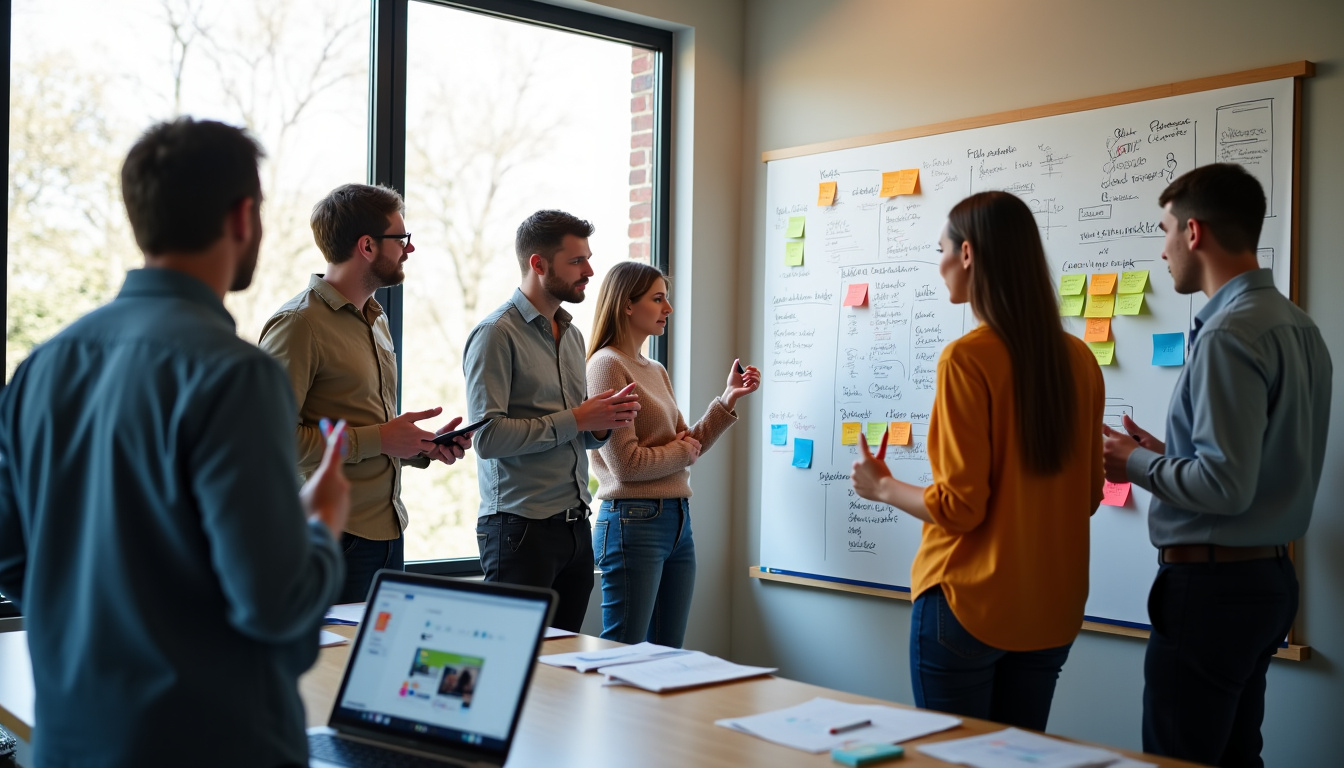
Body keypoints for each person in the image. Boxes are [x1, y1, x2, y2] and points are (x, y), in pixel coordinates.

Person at [0, 117, 350, 767]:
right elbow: (275, 609)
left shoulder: (40, 368)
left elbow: (12, 559)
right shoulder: (236, 375)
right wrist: (324, 523)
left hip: (70, 741)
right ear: (243, 217)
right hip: (211, 744)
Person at [1102, 163, 1331, 767]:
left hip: (1211, 590)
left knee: (1180, 758)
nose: (1164, 249)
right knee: (1233, 757)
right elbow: (1255, 463)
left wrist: (1136, 462)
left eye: (1166, 230)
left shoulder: (1230, 332)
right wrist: (1160, 451)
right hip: (1266, 582)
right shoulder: (1298, 326)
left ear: (1194, 232)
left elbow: (1225, 487)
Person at [850, 191, 1105, 730]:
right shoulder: (1080, 358)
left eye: (940, 248)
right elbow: (1087, 498)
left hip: (966, 605)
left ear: (967, 253)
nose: (938, 263)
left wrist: (882, 486)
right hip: (1050, 613)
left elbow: (960, 508)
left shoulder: (966, 358)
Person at [260, 183, 472, 605]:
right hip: (333, 538)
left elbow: (368, 428)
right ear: (367, 246)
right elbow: (271, 442)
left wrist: (419, 446)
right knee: (332, 671)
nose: (409, 249)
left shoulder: (376, 319)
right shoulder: (298, 325)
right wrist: (381, 438)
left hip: (388, 533)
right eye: (401, 239)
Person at [463, 210, 640, 631]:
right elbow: (486, 438)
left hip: (576, 528)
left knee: (561, 674)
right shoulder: (495, 334)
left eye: (588, 259)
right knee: (512, 669)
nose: (590, 271)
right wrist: (577, 418)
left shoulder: (573, 336)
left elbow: (578, 436)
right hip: (519, 531)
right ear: (538, 264)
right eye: (576, 261)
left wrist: (602, 423)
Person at [586, 261, 759, 646]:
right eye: (658, 299)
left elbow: (688, 443)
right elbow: (626, 465)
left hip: (677, 520)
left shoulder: (655, 369)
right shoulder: (606, 365)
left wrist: (728, 397)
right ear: (627, 305)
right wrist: (681, 452)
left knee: (667, 654)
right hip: (633, 521)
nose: (669, 309)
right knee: (622, 650)